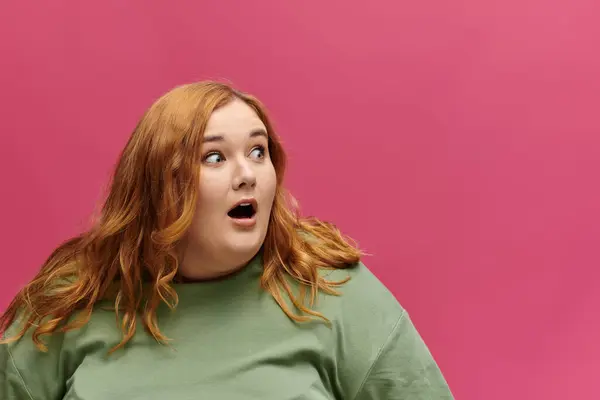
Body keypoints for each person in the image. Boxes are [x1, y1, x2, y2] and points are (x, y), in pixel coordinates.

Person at [0, 81, 454, 399]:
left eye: (258, 152)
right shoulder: (68, 305)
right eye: (214, 157)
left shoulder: (335, 294)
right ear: (160, 183)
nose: (247, 175)